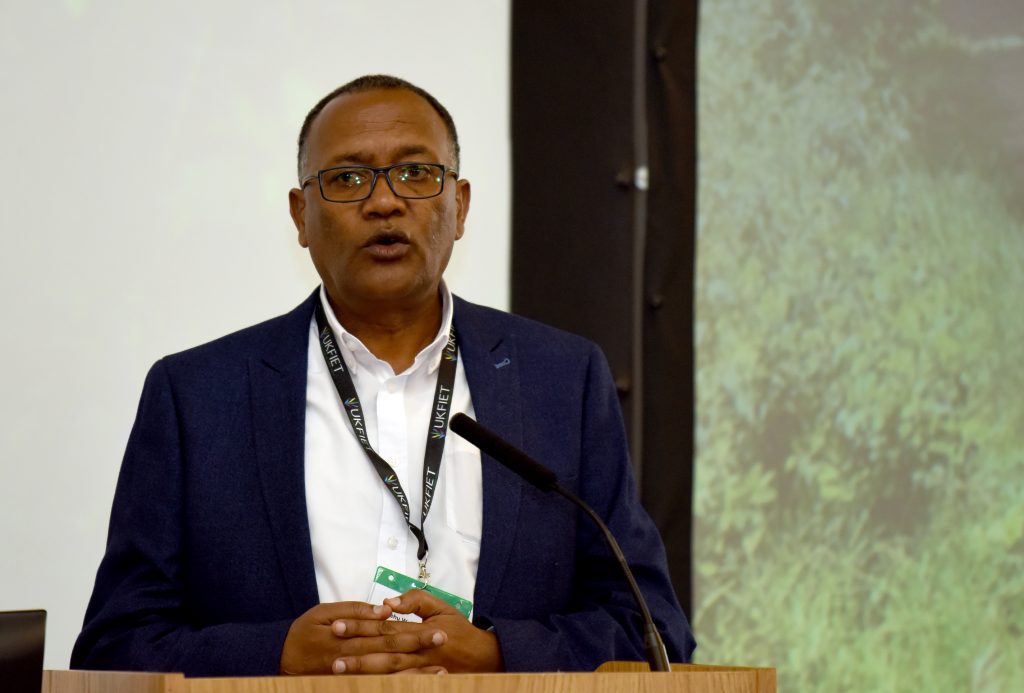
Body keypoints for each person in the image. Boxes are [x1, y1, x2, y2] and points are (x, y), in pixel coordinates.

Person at [71, 74, 695, 676]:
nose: (384, 200)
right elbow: (115, 644)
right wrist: (276, 654)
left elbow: (654, 628)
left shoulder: (563, 380)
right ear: (300, 216)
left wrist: (498, 652)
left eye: (416, 173)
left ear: (460, 203)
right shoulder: (198, 396)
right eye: (347, 179)